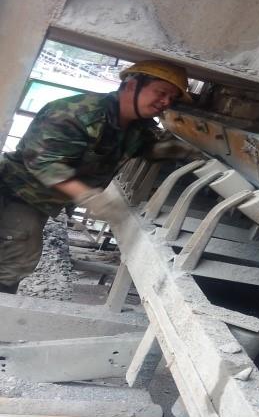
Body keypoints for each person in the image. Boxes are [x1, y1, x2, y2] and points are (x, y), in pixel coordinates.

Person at [0, 59, 195, 294]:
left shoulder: (137, 125)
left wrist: (183, 150)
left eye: (172, 98)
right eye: (161, 92)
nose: (165, 102)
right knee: (14, 257)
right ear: (132, 85)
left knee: (17, 257)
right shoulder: (75, 113)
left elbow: (144, 146)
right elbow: (45, 162)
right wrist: (89, 197)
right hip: (15, 192)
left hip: (38, 198)